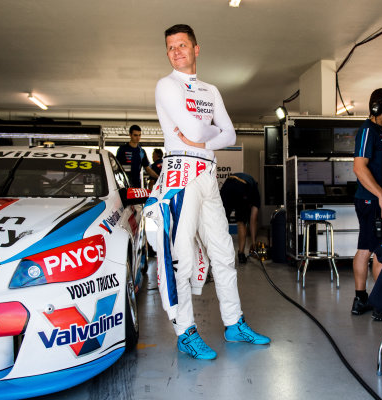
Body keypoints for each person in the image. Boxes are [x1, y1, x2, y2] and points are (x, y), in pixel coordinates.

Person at [145, 24, 270, 360]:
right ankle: (185, 332)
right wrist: (206, 134)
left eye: (182, 45)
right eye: (170, 47)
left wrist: (203, 136)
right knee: (180, 260)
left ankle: (234, 324)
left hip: (207, 176)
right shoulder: (166, 86)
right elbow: (199, 129)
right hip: (178, 177)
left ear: (196, 49)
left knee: (224, 254)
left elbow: (229, 135)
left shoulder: (211, 90)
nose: (176, 52)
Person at [351, 88, 382, 316]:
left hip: (374, 201)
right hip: (373, 202)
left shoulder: (378, 132)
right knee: (379, 250)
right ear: (377, 107)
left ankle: (362, 300)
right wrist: (381, 196)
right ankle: (379, 306)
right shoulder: (368, 131)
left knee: (368, 248)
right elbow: (359, 167)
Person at [220, 172, 260, 264]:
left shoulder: (251, 183)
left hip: (227, 184)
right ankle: (241, 255)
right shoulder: (256, 195)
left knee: (221, 220)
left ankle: (219, 253)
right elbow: (253, 220)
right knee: (241, 222)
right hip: (242, 186)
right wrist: (254, 243)